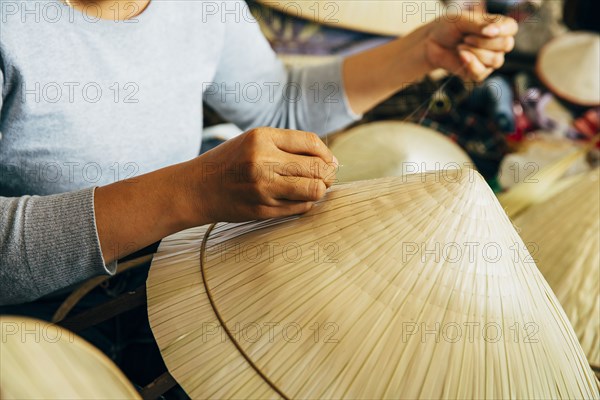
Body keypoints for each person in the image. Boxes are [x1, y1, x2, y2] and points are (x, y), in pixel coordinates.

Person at [0, 0, 517, 306]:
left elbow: (276, 102)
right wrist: (190, 192)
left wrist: (421, 51)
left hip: (164, 280)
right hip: (38, 326)